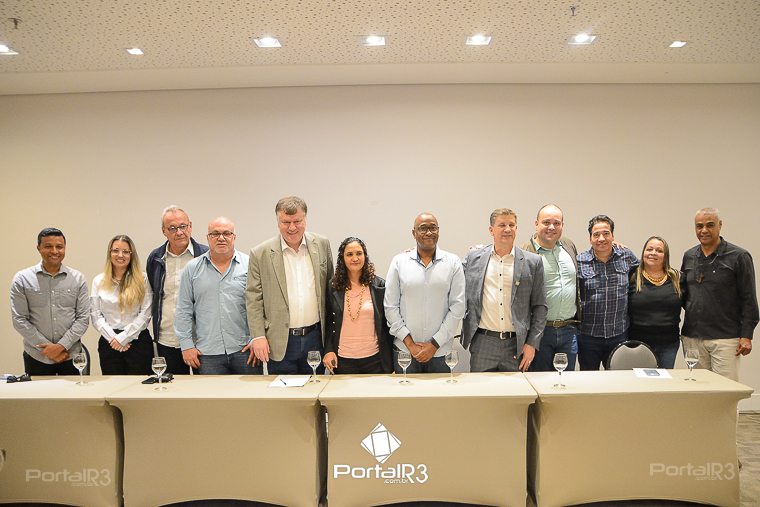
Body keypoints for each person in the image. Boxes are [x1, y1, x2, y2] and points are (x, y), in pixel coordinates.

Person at [245, 196, 333, 374]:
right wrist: (258, 336)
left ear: (305, 219)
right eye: (286, 222)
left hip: (315, 338)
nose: (292, 227)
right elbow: (253, 298)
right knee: (284, 390)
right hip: (280, 341)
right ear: (278, 221)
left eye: (297, 221)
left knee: (315, 387)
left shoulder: (322, 245)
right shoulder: (260, 253)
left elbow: (331, 289)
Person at [463, 208, 547, 372]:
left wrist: (532, 343)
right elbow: (450, 273)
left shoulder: (533, 262)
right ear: (491, 230)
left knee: (517, 389)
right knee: (481, 388)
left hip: (516, 344)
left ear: (516, 228)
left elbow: (540, 307)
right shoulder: (474, 258)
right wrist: (413, 252)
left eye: (511, 225)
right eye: (502, 225)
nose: (507, 229)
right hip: (483, 343)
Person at [681, 208, 758, 381]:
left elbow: (749, 298)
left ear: (720, 225)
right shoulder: (689, 256)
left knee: (726, 391)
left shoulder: (739, 256)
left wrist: (746, 335)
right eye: (699, 226)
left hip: (725, 338)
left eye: (710, 225)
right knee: (698, 389)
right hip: (692, 337)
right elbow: (684, 294)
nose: (704, 230)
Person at [175, 217, 260, 374]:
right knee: (211, 391)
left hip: (245, 350)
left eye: (227, 233)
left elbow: (260, 306)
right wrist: (186, 345)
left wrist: (258, 338)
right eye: (215, 234)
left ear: (234, 237)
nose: (221, 238)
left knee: (250, 391)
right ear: (208, 238)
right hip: (207, 353)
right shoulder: (192, 269)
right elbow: (183, 309)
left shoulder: (250, 265)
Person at [384, 212, 465, 373]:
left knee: (440, 391)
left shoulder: (453, 262)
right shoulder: (399, 262)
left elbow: (458, 307)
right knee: (406, 390)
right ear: (414, 233)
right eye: (423, 228)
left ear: (438, 231)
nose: (429, 232)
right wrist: (410, 344)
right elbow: (390, 307)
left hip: (441, 352)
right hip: (405, 352)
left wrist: (434, 345)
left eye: (433, 228)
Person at [10, 228, 90, 375]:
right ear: (38, 248)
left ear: (65, 248)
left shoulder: (78, 279)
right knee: (39, 391)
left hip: (70, 355)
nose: (54, 251)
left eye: (59, 247)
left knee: (75, 391)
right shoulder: (22, 279)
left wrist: (60, 346)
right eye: (48, 246)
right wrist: (48, 349)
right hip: (37, 357)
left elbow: (83, 319)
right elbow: (19, 319)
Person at [146, 205, 208, 374]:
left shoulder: (206, 255)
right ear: (163, 231)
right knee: (172, 387)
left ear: (190, 226)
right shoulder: (155, 258)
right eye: (172, 228)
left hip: (200, 338)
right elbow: (155, 294)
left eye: (183, 226)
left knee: (205, 387)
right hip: (167, 338)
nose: (179, 232)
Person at [522, 204, 580, 372]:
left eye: (557, 223)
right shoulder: (525, 252)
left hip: (569, 330)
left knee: (566, 382)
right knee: (540, 382)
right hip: (540, 332)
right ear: (536, 224)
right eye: (546, 222)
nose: (552, 227)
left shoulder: (568, 246)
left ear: (562, 225)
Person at [577, 215, 639, 370]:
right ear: (590, 238)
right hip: (588, 336)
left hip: (618, 334)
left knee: (617, 380)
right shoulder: (579, 261)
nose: (601, 238)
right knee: (589, 380)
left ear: (613, 236)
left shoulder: (626, 256)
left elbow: (645, 273)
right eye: (596, 234)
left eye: (606, 233)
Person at [323, 237, 393, 374]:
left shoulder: (379, 286)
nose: (355, 258)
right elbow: (328, 322)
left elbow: (387, 325)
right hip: (342, 360)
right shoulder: (333, 286)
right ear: (342, 258)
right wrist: (329, 350)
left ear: (365, 256)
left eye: (359, 253)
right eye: (349, 254)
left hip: (375, 360)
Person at [91, 235, 154, 375]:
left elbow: (146, 313)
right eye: (116, 250)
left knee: (139, 385)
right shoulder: (98, 281)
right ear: (109, 253)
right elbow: (95, 315)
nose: (120, 255)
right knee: (113, 385)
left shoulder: (142, 279)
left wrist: (124, 338)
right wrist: (114, 339)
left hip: (138, 342)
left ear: (132, 255)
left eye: (125, 251)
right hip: (109, 342)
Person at [628, 236, 682, 368]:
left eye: (659, 250)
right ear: (643, 253)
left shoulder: (678, 278)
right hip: (638, 344)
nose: (653, 253)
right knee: (640, 380)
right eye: (649, 249)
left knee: (664, 380)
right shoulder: (632, 276)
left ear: (665, 256)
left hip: (668, 344)